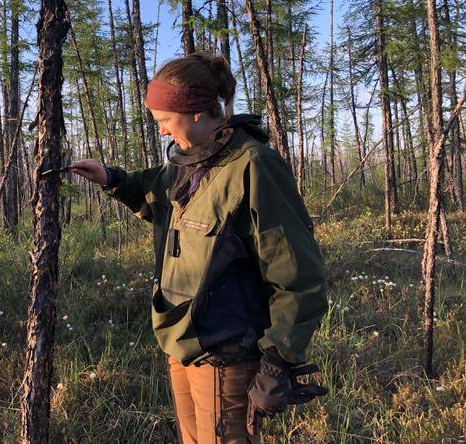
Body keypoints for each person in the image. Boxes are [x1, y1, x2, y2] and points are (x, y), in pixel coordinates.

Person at [69, 52, 328, 443]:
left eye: (165, 121)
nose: (161, 132)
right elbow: (151, 190)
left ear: (195, 112)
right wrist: (110, 177)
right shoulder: (189, 164)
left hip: (227, 353)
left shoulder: (253, 166)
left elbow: (297, 274)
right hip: (181, 341)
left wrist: (277, 361)